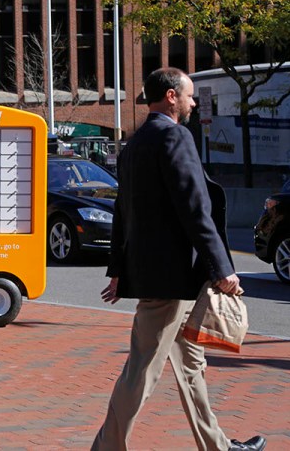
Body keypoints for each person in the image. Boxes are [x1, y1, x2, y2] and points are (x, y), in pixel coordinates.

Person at [91, 68, 266, 451]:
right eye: (188, 96)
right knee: (141, 370)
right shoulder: (174, 136)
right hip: (171, 281)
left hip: (162, 278)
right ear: (171, 97)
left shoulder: (134, 145)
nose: (191, 103)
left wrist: (118, 270)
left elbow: (124, 211)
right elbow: (195, 210)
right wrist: (224, 271)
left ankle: (218, 446)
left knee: (190, 367)